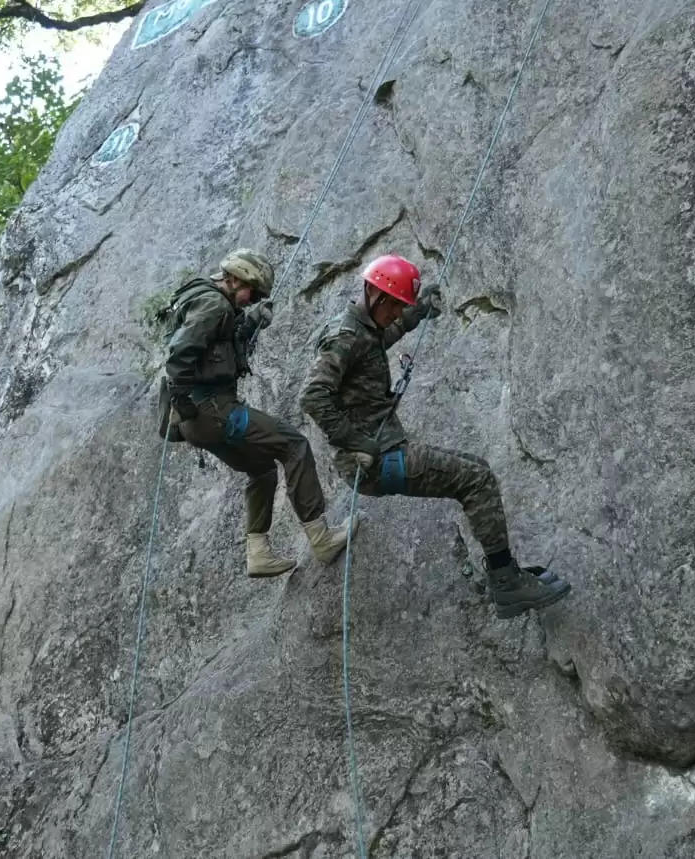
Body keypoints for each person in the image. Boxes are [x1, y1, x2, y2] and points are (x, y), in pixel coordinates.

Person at [299, 254, 571, 618]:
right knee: (477, 479)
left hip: (381, 452)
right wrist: (355, 441)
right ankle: (506, 585)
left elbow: (376, 343)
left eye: (401, 309)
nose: (397, 314)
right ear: (375, 294)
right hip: (376, 460)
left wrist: (415, 315)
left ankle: (507, 575)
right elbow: (312, 395)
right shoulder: (344, 337)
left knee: (477, 469)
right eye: (396, 306)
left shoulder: (364, 329)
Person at [162, 248, 353, 577]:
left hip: (196, 422)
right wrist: (182, 400)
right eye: (252, 293)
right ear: (235, 279)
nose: (252, 301)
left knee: (263, 470)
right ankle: (322, 538)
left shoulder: (207, 300)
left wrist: (249, 325)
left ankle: (258, 553)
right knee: (295, 445)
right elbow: (180, 352)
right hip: (212, 411)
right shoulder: (213, 304)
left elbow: (216, 348)